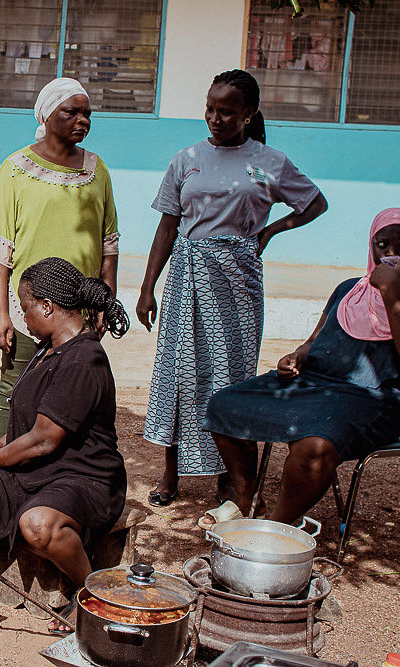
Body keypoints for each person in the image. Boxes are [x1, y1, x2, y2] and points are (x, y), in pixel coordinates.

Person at [137, 69, 328, 508]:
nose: (216, 118)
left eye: (227, 111)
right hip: (186, 278)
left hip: (237, 282)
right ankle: (172, 471)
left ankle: (229, 480)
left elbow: (314, 203)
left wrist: (272, 230)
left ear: (249, 114)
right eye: (210, 109)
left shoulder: (270, 162)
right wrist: (148, 289)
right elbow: (167, 226)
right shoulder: (186, 159)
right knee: (178, 371)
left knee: (230, 377)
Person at [0, 257, 129, 634]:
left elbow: (44, 440)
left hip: (85, 477)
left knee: (37, 525)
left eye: (25, 309)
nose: (22, 318)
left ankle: (89, 596)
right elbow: (30, 428)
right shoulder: (47, 348)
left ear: (47, 306)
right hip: (38, 471)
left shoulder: (83, 359)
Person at [201, 208, 400, 527]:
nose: (392, 254)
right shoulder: (349, 290)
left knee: (313, 445)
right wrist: (296, 356)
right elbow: (313, 341)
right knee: (223, 405)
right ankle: (247, 499)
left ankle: (274, 528)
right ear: (371, 246)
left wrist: (391, 290)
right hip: (313, 386)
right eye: (382, 245)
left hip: (375, 402)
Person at [0, 77, 119, 438]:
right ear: (46, 114)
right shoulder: (15, 169)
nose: (82, 120)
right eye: (71, 111)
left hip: (79, 309)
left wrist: (105, 300)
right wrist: (0, 313)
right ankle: (2, 464)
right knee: (15, 387)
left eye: (87, 113)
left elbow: (108, 244)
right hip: (28, 309)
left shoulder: (96, 170)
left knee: (72, 389)